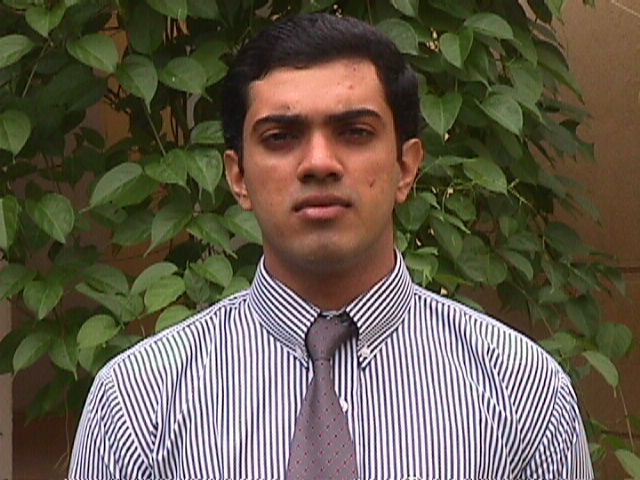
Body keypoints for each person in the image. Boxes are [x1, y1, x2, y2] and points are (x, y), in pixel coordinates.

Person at [68, 13, 594, 480]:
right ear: (238, 176)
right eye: (280, 137)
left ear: (406, 166)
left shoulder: (522, 394)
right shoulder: (138, 404)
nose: (319, 162)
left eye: (355, 132)